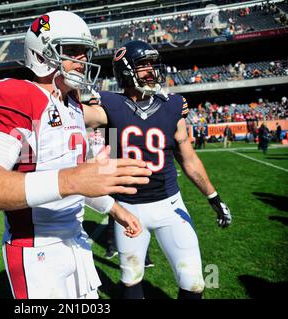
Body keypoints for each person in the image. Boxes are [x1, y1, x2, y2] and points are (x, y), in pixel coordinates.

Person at [0, 11, 152, 299]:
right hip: (36, 250)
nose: (82, 60)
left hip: (76, 241)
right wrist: (72, 180)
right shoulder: (21, 98)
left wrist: (117, 210)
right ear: (42, 54)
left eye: (84, 51)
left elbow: (79, 181)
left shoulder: (73, 106)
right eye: (72, 51)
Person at [84, 40, 232, 299]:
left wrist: (214, 198)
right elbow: (74, 115)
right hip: (128, 207)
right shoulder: (108, 104)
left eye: (153, 64)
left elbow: (188, 159)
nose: (151, 70)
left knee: (194, 280)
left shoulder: (173, 105)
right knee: (131, 278)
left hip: (170, 205)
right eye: (143, 65)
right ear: (126, 70)